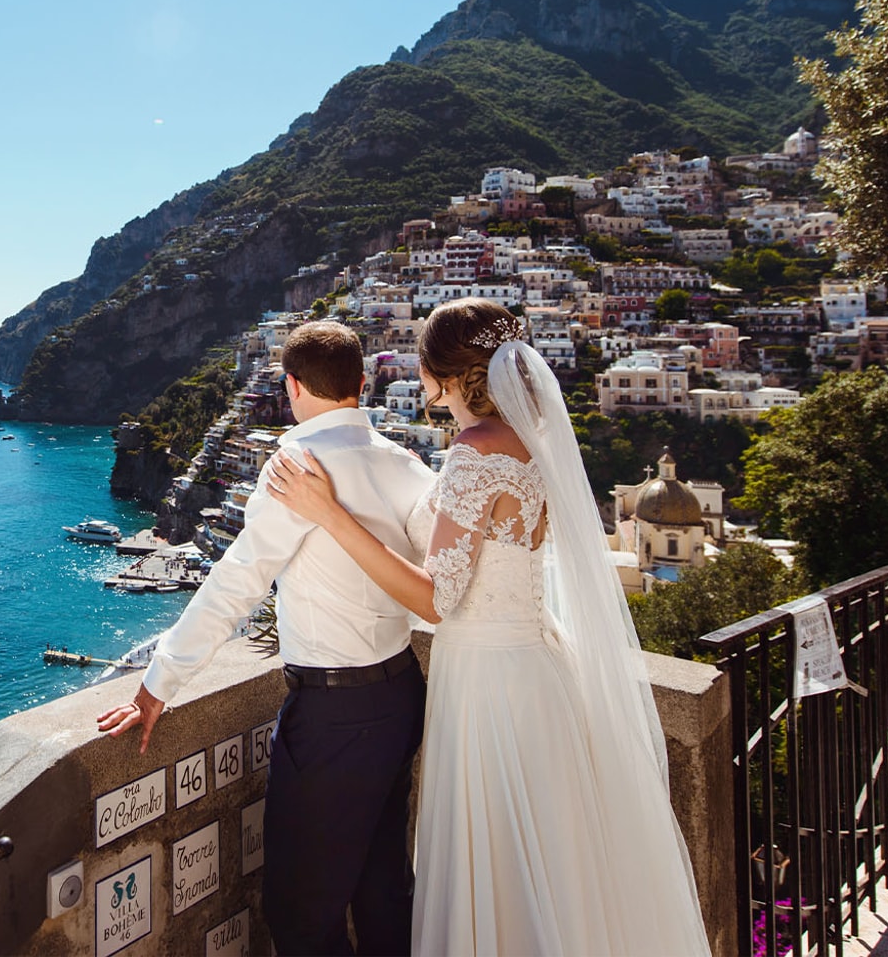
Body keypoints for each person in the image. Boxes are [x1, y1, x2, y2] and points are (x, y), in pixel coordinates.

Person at [264, 298, 709, 956]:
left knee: (496, 861)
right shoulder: (531, 443)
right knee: (549, 866)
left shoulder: (474, 454)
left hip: (487, 683)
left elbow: (438, 599)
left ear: (444, 371)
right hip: (538, 668)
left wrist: (330, 515)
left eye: (420, 357)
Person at [97, 320, 435, 956]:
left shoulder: (297, 465)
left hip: (334, 712)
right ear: (364, 385)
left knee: (301, 911)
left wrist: (158, 682)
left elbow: (237, 581)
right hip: (400, 695)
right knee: (384, 887)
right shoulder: (406, 463)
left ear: (291, 386)